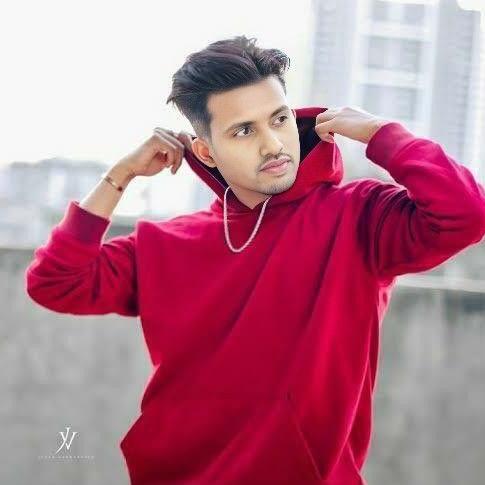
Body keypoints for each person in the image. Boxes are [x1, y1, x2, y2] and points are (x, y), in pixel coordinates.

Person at [25, 35, 485, 485]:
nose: (273, 144)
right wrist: (119, 175)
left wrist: (381, 134)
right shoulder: (164, 244)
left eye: (279, 119)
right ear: (206, 151)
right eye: (244, 130)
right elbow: (55, 282)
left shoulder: (359, 217)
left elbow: (466, 214)